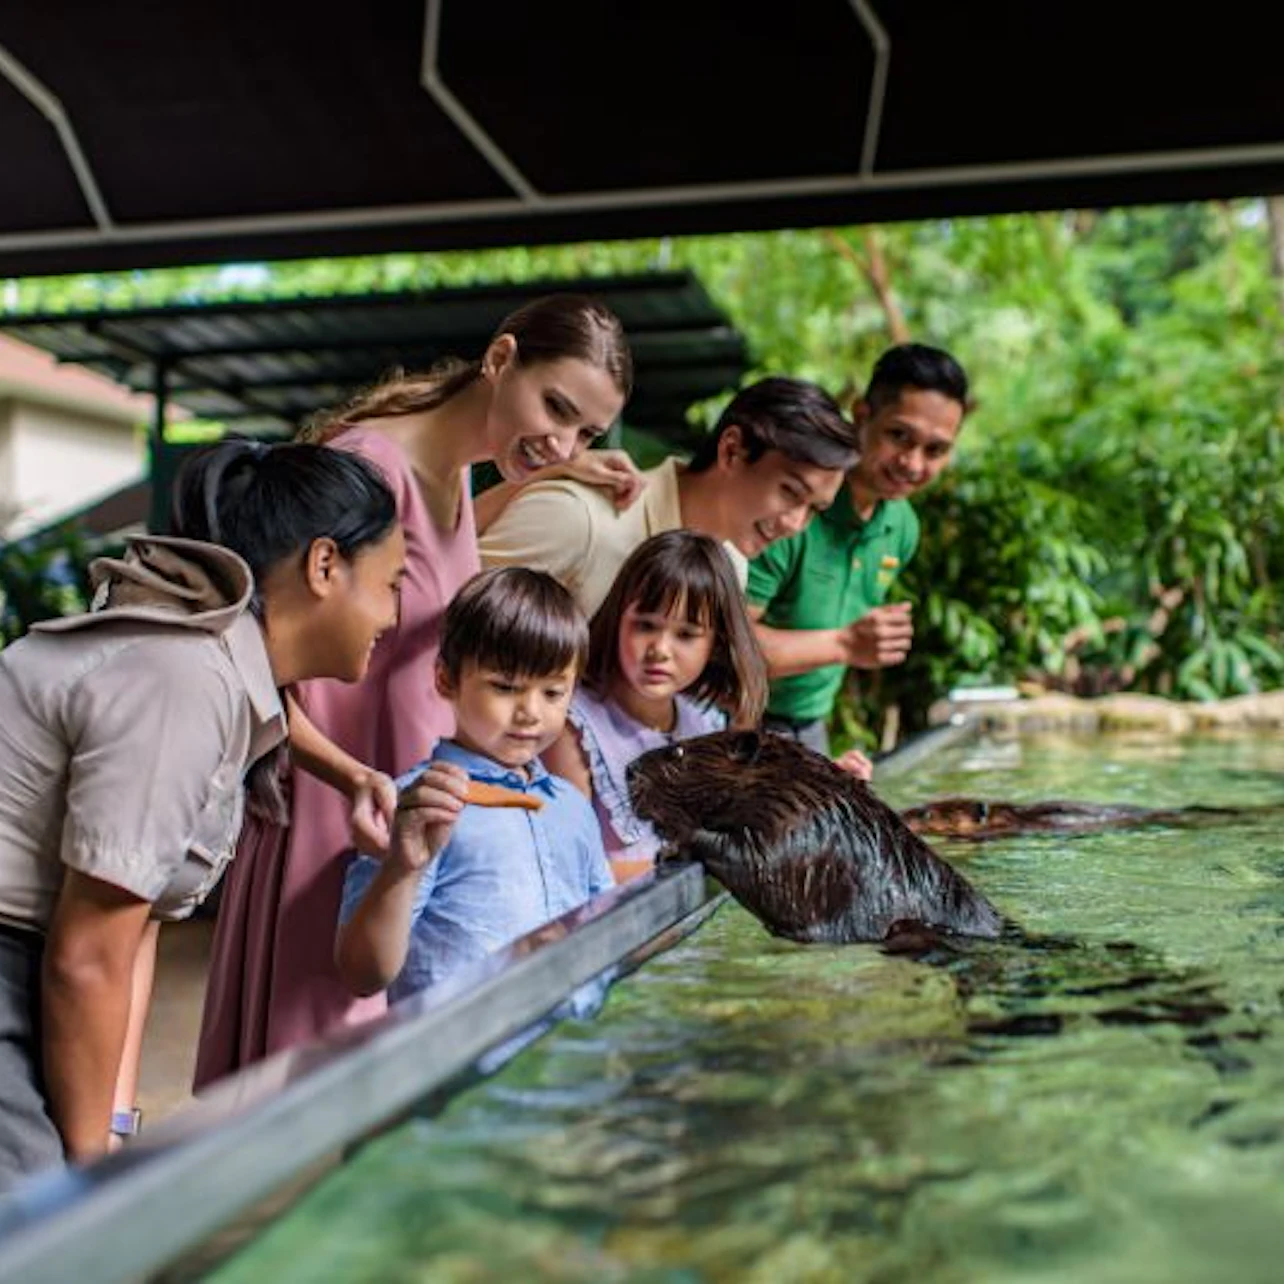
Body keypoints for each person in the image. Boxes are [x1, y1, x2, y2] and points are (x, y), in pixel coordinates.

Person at [195, 294, 634, 1088]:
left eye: (586, 431)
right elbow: (248, 660)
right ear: (501, 359)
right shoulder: (366, 463)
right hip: (337, 825)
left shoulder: (458, 475)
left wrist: (557, 467)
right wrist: (350, 778)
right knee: (312, 1104)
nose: (564, 439)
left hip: (411, 823)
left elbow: (432, 561)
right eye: (556, 408)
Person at [0, 439, 404, 1191]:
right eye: (390, 583)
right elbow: (88, 958)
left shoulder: (225, 675)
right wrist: (91, 1181)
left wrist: (113, 1132)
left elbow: (134, 921)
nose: (393, 613)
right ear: (324, 567)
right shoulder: (186, 682)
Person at [336, 567, 612, 1000]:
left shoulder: (573, 809)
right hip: (463, 1055)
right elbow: (362, 975)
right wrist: (401, 868)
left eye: (553, 693)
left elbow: (602, 933)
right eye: (505, 687)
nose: (530, 713)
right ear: (446, 679)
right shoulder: (416, 806)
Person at [747, 343, 969, 760]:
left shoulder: (902, 526)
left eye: (935, 450)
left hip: (811, 725)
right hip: (734, 719)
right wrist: (847, 644)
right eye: (899, 436)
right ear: (862, 415)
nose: (913, 463)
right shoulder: (794, 506)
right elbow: (726, 649)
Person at [478, 376, 859, 617]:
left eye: (814, 510)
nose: (795, 524)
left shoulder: (730, 571)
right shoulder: (577, 517)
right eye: (790, 492)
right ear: (732, 451)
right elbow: (440, 630)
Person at [542, 531, 768, 883]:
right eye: (645, 626)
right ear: (618, 618)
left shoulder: (705, 723)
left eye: (686, 634)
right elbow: (567, 874)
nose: (660, 649)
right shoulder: (575, 727)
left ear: (717, 643)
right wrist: (692, 866)